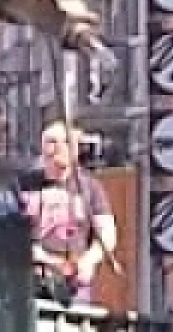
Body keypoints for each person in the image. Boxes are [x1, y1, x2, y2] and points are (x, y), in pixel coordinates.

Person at [18, 122, 117, 304]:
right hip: (27, 283)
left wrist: (89, 260)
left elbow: (107, 233)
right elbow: (3, 225)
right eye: (52, 142)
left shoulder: (89, 186)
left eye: (65, 142)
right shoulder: (22, 185)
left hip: (73, 286)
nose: (58, 148)